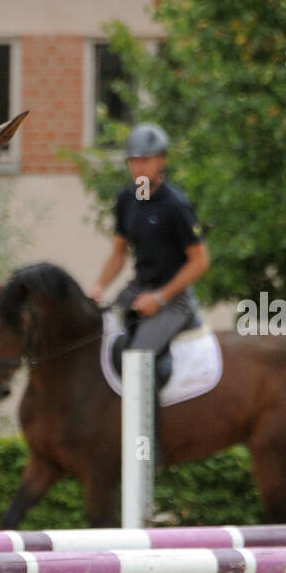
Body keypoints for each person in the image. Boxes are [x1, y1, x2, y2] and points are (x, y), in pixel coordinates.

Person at [91, 122, 210, 388]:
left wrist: (160, 297)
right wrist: (99, 287)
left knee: (137, 359)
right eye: (133, 161)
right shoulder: (126, 201)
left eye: (145, 161)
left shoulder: (175, 205)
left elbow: (200, 261)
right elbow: (119, 254)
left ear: (161, 161)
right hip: (138, 289)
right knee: (95, 336)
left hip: (173, 298)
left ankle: (146, 427)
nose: (139, 167)